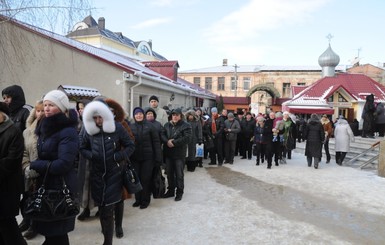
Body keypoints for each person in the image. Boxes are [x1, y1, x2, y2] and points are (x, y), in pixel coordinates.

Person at [80, 100, 135, 245]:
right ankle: (106, 233)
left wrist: (119, 156)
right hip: (97, 175)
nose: (98, 120)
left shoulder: (117, 127)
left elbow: (130, 145)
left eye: (100, 117)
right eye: (95, 117)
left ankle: (108, 240)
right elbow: (81, 147)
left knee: (109, 210)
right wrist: (91, 155)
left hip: (114, 174)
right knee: (103, 210)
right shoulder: (88, 130)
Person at [29, 90, 79, 244]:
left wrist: (36, 165)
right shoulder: (45, 126)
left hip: (61, 186)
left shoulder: (68, 131)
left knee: (57, 233)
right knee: (54, 234)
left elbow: (64, 163)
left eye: (51, 105)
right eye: (45, 105)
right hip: (47, 183)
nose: (47, 108)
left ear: (62, 107)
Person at [105, 98, 135, 238]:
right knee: (105, 199)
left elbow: (131, 141)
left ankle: (118, 226)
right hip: (103, 168)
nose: (109, 113)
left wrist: (119, 154)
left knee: (119, 198)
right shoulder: (98, 125)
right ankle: (107, 225)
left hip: (119, 166)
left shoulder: (121, 124)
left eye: (112, 111)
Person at [0, 102, 27, 245]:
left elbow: (12, 160)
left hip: (7, 188)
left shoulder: (14, 131)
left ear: (3, 115)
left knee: (8, 224)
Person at [21, 100, 45, 240]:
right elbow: (24, 152)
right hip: (30, 172)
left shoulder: (49, 130)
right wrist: (26, 166)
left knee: (41, 200)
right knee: (29, 198)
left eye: (43, 110)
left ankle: (35, 226)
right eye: (38, 110)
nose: (40, 113)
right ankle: (29, 222)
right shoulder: (27, 131)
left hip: (44, 171)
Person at [130, 107, 162, 209]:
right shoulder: (131, 127)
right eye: (136, 114)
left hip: (148, 158)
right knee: (136, 179)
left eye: (140, 114)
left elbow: (156, 143)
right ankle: (137, 200)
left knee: (145, 179)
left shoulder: (150, 126)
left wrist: (158, 158)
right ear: (134, 116)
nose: (138, 115)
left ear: (143, 115)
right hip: (135, 158)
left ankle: (145, 200)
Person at [161, 108, 192, 201]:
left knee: (179, 174)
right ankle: (170, 191)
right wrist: (167, 141)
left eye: (177, 115)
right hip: (168, 154)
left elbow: (187, 138)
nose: (175, 117)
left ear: (180, 116)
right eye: (173, 115)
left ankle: (179, 192)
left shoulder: (186, 125)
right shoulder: (167, 125)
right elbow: (162, 134)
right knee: (169, 173)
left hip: (179, 154)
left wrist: (174, 142)